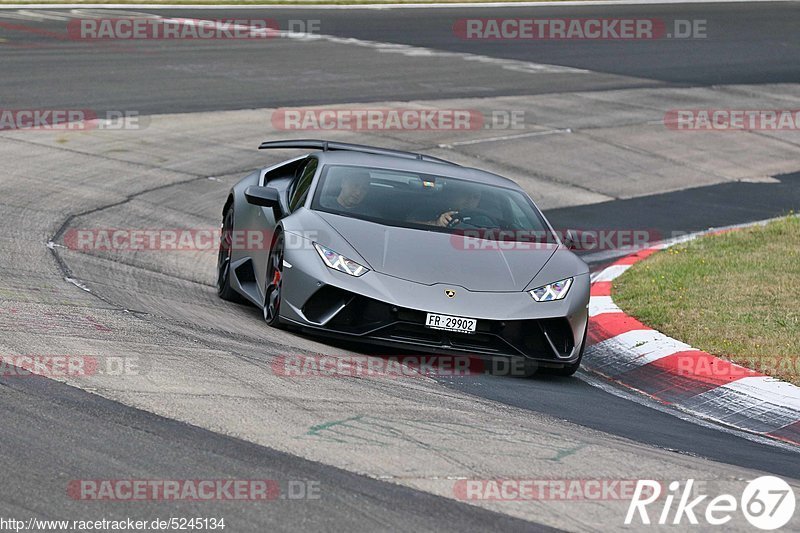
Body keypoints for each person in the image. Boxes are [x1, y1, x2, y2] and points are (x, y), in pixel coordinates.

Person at [410, 181, 482, 227]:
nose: (470, 200)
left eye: (475, 197)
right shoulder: (431, 208)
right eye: (466, 194)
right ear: (453, 195)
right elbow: (409, 224)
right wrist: (436, 224)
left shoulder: (483, 219)